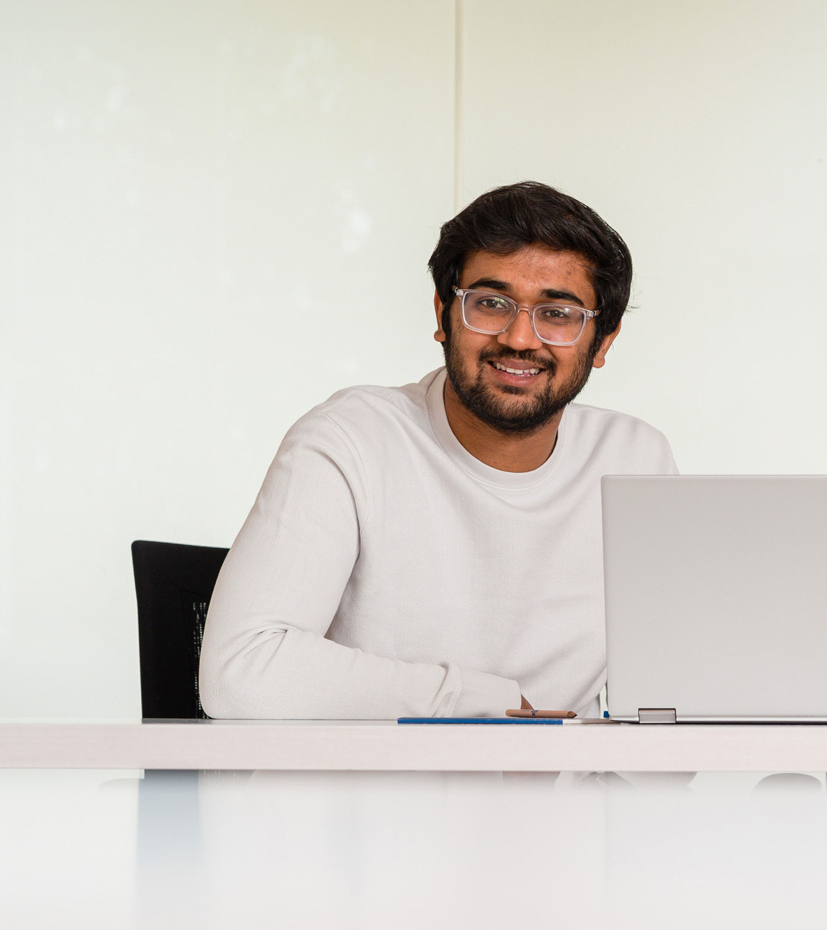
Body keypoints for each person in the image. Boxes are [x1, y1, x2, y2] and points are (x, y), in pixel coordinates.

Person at [199, 181, 676, 719]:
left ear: (604, 340)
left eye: (558, 313)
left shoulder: (634, 460)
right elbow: (241, 673)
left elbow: (671, 698)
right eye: (491, 303)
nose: (521, 337)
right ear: (442, 313)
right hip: (373, 797)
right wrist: (481, 703)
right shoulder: (349, 440)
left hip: (564, 798)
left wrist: (614, 790)